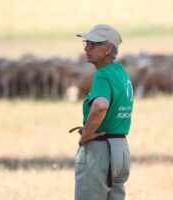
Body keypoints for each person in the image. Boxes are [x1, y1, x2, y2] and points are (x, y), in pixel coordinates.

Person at [70, 24, 134, 200]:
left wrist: (87, 134)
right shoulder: (121, 73)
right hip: (120, 149)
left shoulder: (102, 75)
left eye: (92, 44)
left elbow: (100, 105)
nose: (86, 48)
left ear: (108, 48)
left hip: (100, 151)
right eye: (86, 43)